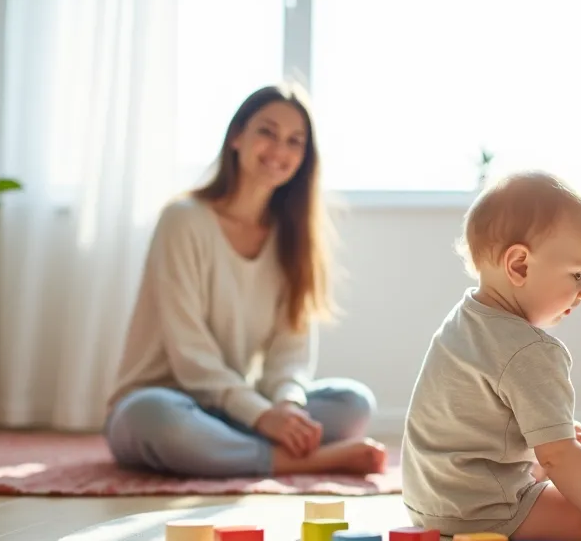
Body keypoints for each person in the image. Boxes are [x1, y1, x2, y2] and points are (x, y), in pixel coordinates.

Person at [103, 83, 387, 478]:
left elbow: (290, 353)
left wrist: (286, 406)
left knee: (353, 403)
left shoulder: (294, 238)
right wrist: (261, 415)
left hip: (235, 409)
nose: (279, 150)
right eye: (267, 132)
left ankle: (232, 451)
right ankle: (294, 460)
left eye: (294, 141)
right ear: (237, 136)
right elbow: (191, 356)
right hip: (167, 402)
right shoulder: (183, 219)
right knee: (154, 418)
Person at [400, 171, 581, 541]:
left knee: (569, 444)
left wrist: (557, 444)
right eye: (577, 275)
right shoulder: (531, 351)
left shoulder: (463, 318)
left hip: (427, 502)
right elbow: (556, 456)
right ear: (519, 265)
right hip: (480, 509)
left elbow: (483, 418)